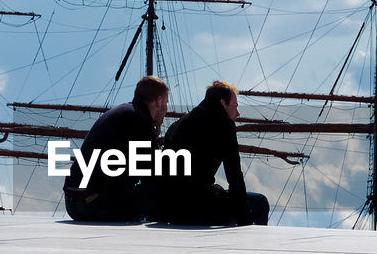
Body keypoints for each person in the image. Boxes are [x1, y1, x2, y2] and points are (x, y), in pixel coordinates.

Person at [154, 80, 269, 226]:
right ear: (222, 104)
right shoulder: (224, 124)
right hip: (199, 206)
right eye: (234, 107)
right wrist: (244, 220)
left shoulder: (177, 124)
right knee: (260, 202)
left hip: (169, 208)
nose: (238, 114)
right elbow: (234, 176)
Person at [63, 75, 169, 222]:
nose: (166, 110)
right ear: (160, 100)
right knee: (163, 196)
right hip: (92, 205)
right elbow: (152, 175)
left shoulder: (123, 112)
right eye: (166, 103)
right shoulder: (140, 121)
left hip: (74, 202)